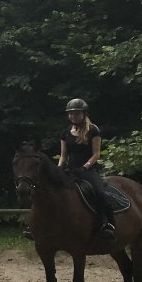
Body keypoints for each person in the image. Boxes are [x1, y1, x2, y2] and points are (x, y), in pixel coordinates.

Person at [58, 98, 115, 240]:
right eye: (71, 113)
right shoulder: (65, 132)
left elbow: (96, 154)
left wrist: (85, 167)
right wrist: (59, 169)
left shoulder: (93, 130)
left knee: (100, 193)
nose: (73, 116)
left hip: (88, 170)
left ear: (84, 114)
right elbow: (64, 156)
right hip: (71, 171)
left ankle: (108, 224)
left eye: (76, 113)